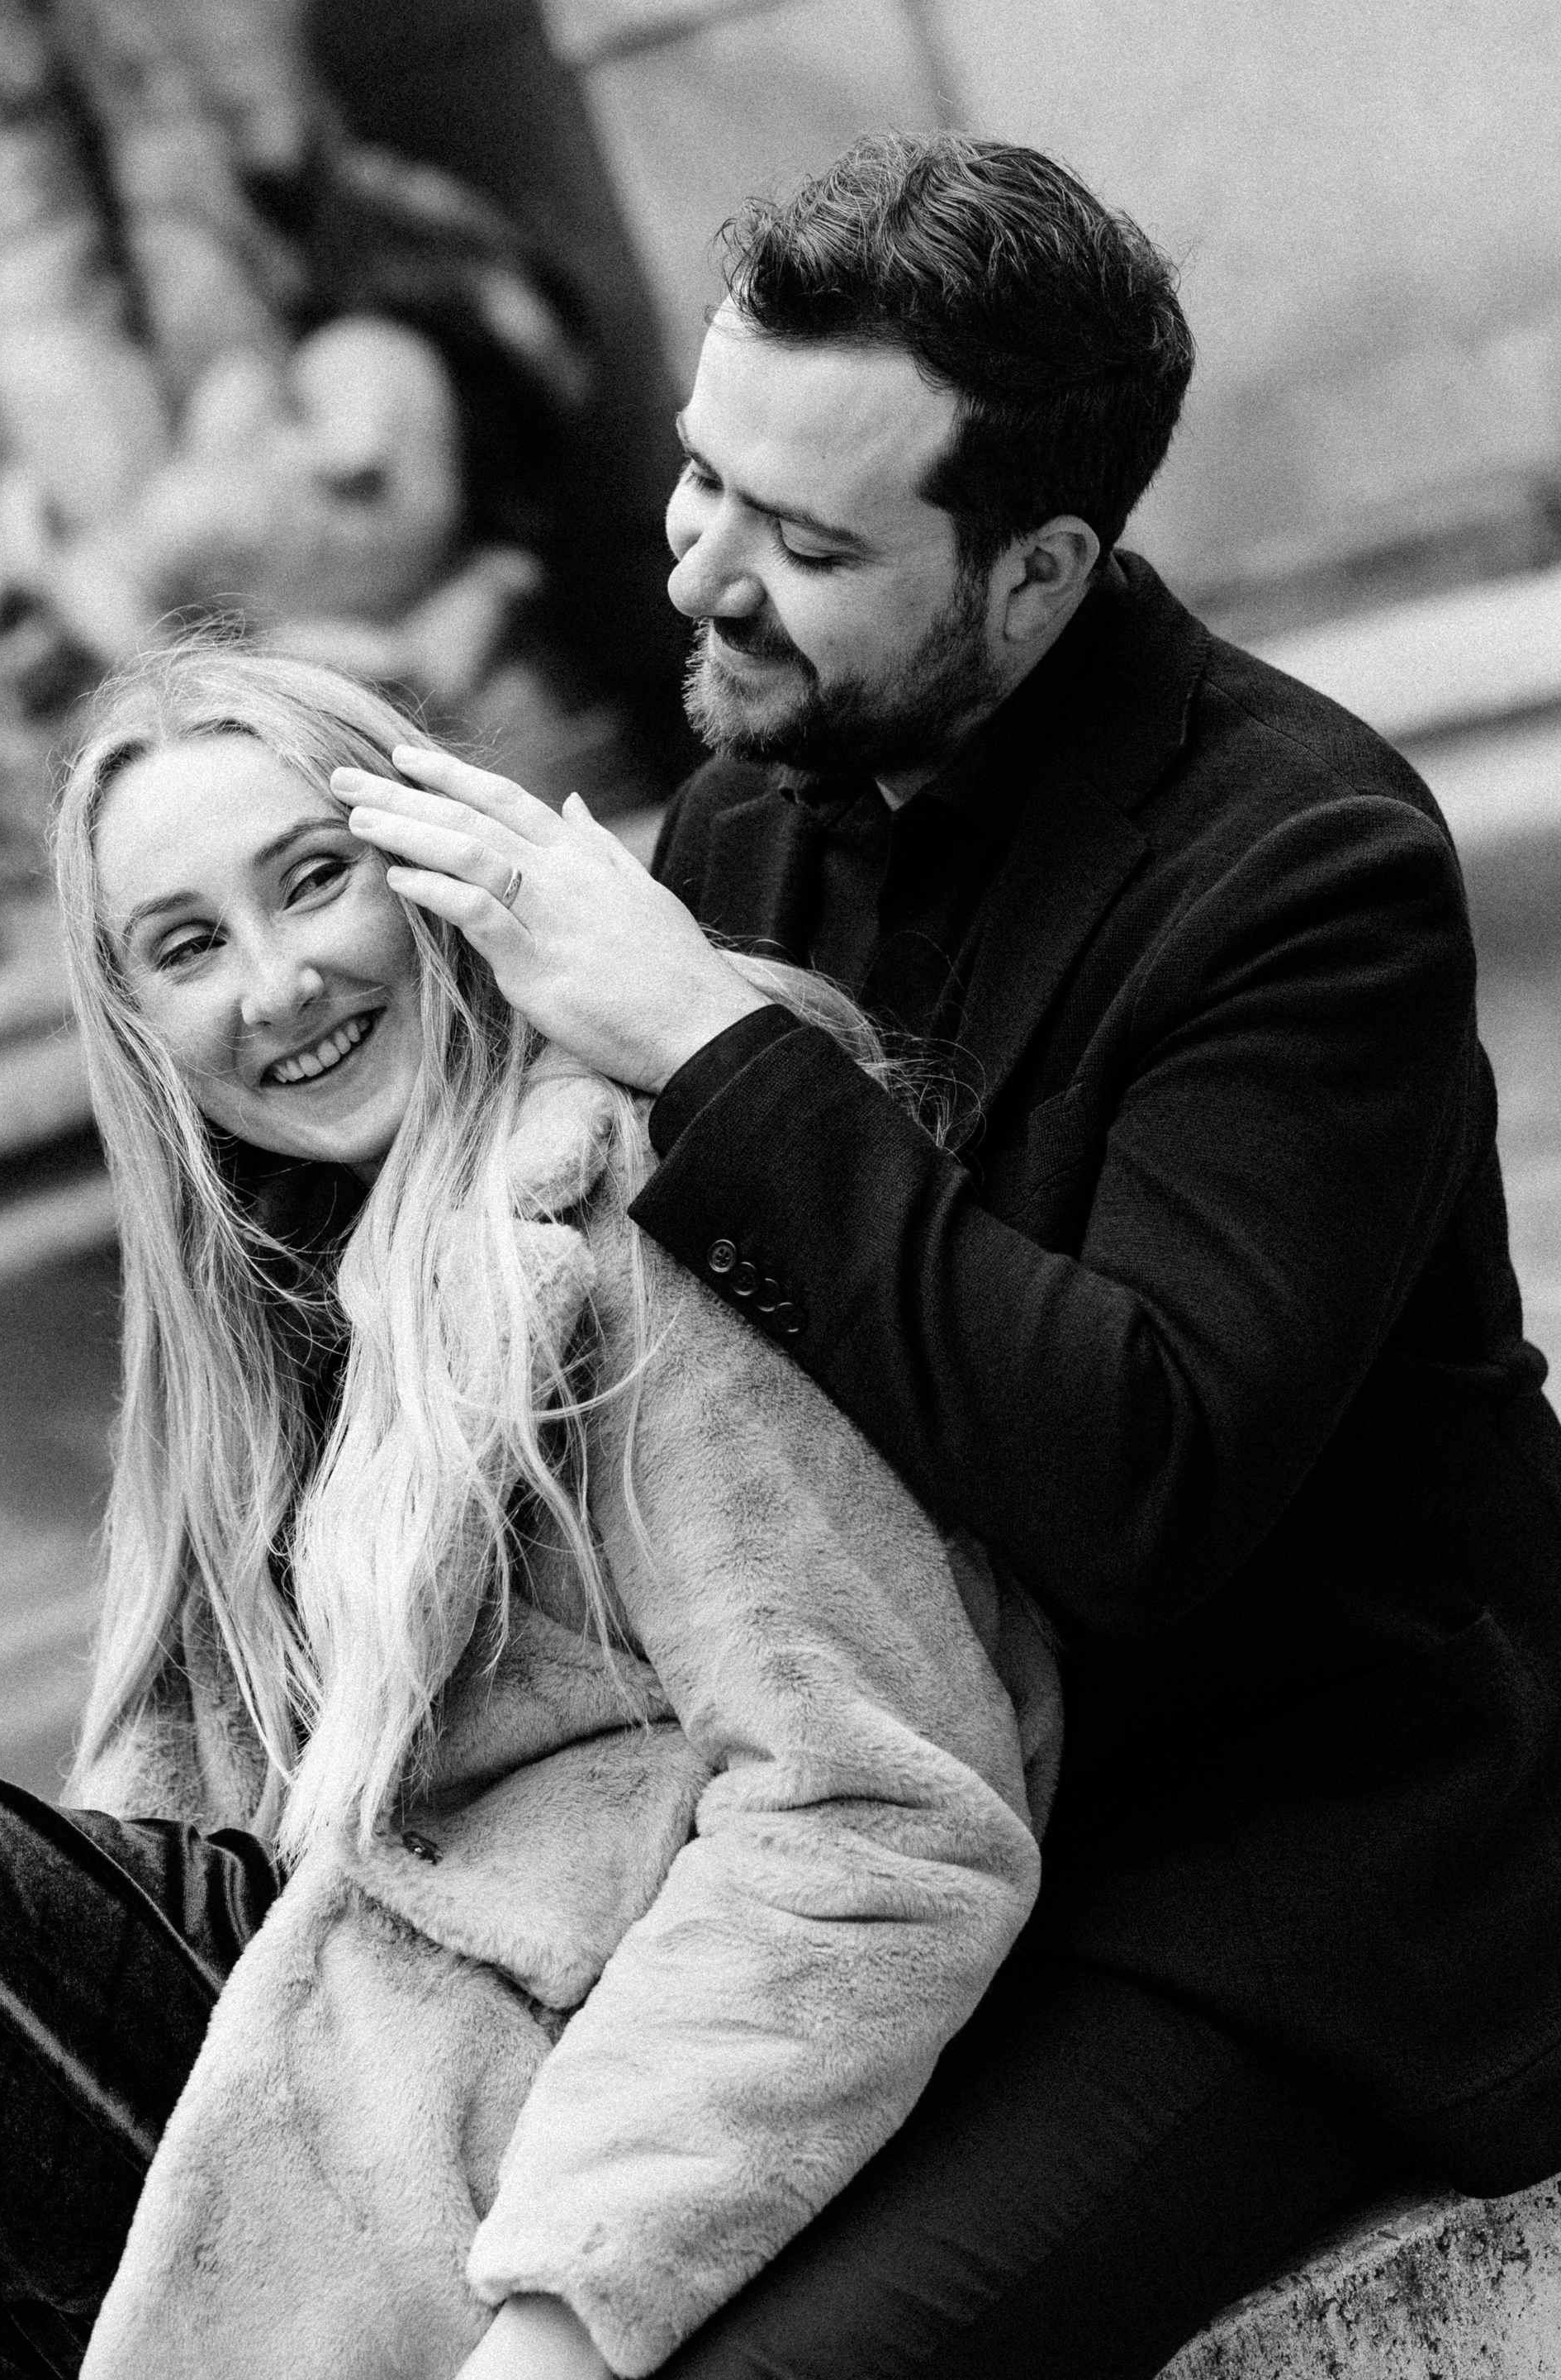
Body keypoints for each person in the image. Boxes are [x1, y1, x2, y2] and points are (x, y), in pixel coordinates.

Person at [329, 131, 1561, 2378]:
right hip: (869, 1835)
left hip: (1275, 1870)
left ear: (1037, 573)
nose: (702, 572)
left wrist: (707, 1047)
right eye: (703, 480)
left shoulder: (1306, 867)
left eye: (808, 544)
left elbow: (1138, 1482)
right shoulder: (745, 810)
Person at [0, 640, 1055, 2380]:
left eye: (313, 878)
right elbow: (179, 1833)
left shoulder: (618, 1213)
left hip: (526, 2087)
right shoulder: (259, 1329)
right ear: (137, 1023)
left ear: (433, 858)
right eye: (186, 946)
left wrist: (563, 2310)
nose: (277, 985)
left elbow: (880, 1809)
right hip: (305, 2069)